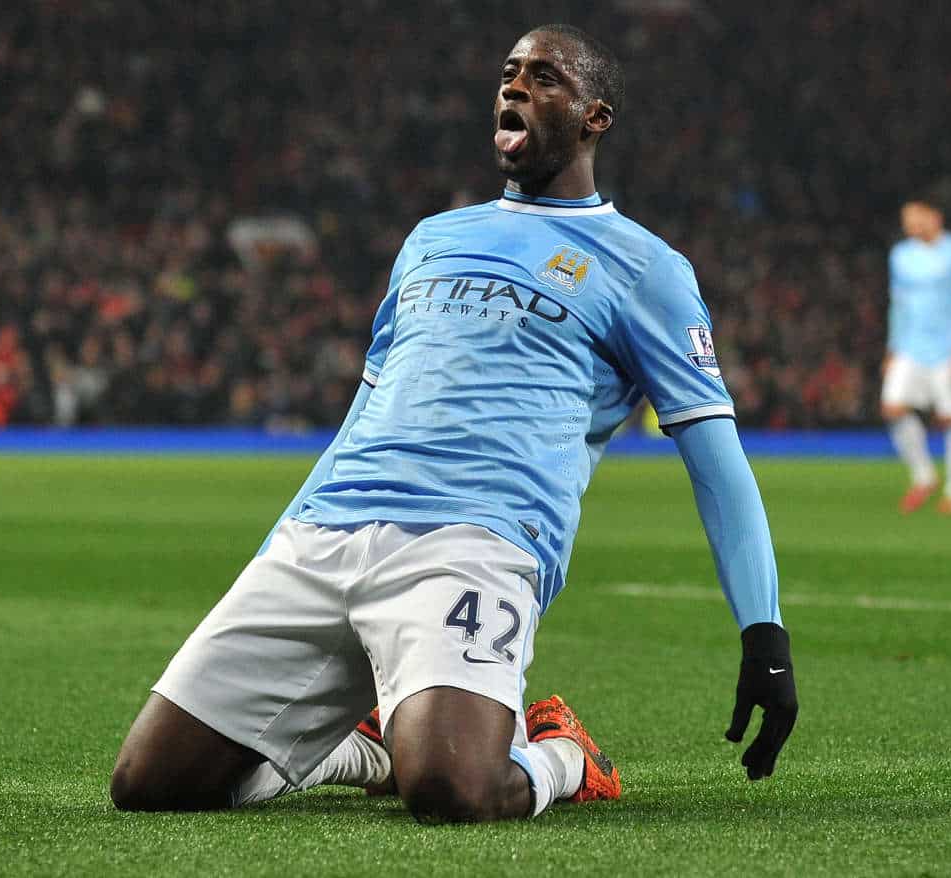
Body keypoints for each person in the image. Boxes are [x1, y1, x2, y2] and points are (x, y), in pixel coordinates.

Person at [110, 23, 797, 824]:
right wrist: (280, 540)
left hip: (473, 540)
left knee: (452, 790)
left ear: (594, 118)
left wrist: (764, 636)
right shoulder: (433, 239)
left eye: (546, 78)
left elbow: (718, 461)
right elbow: (365, 413)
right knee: (149, 785)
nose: (515, 87)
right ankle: (366, 749)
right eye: (510, 73)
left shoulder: (644, 268)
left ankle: (565, 757)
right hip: (327, 533)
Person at [882, 200, 951, 514]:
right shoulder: (900, 255)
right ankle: (924, 475)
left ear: (934, 216)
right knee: (892, 407)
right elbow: (897, 305)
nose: (909, 224)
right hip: (910, 346)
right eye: (905, 218)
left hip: (948, 349)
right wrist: (893, 347)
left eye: (915, 217)